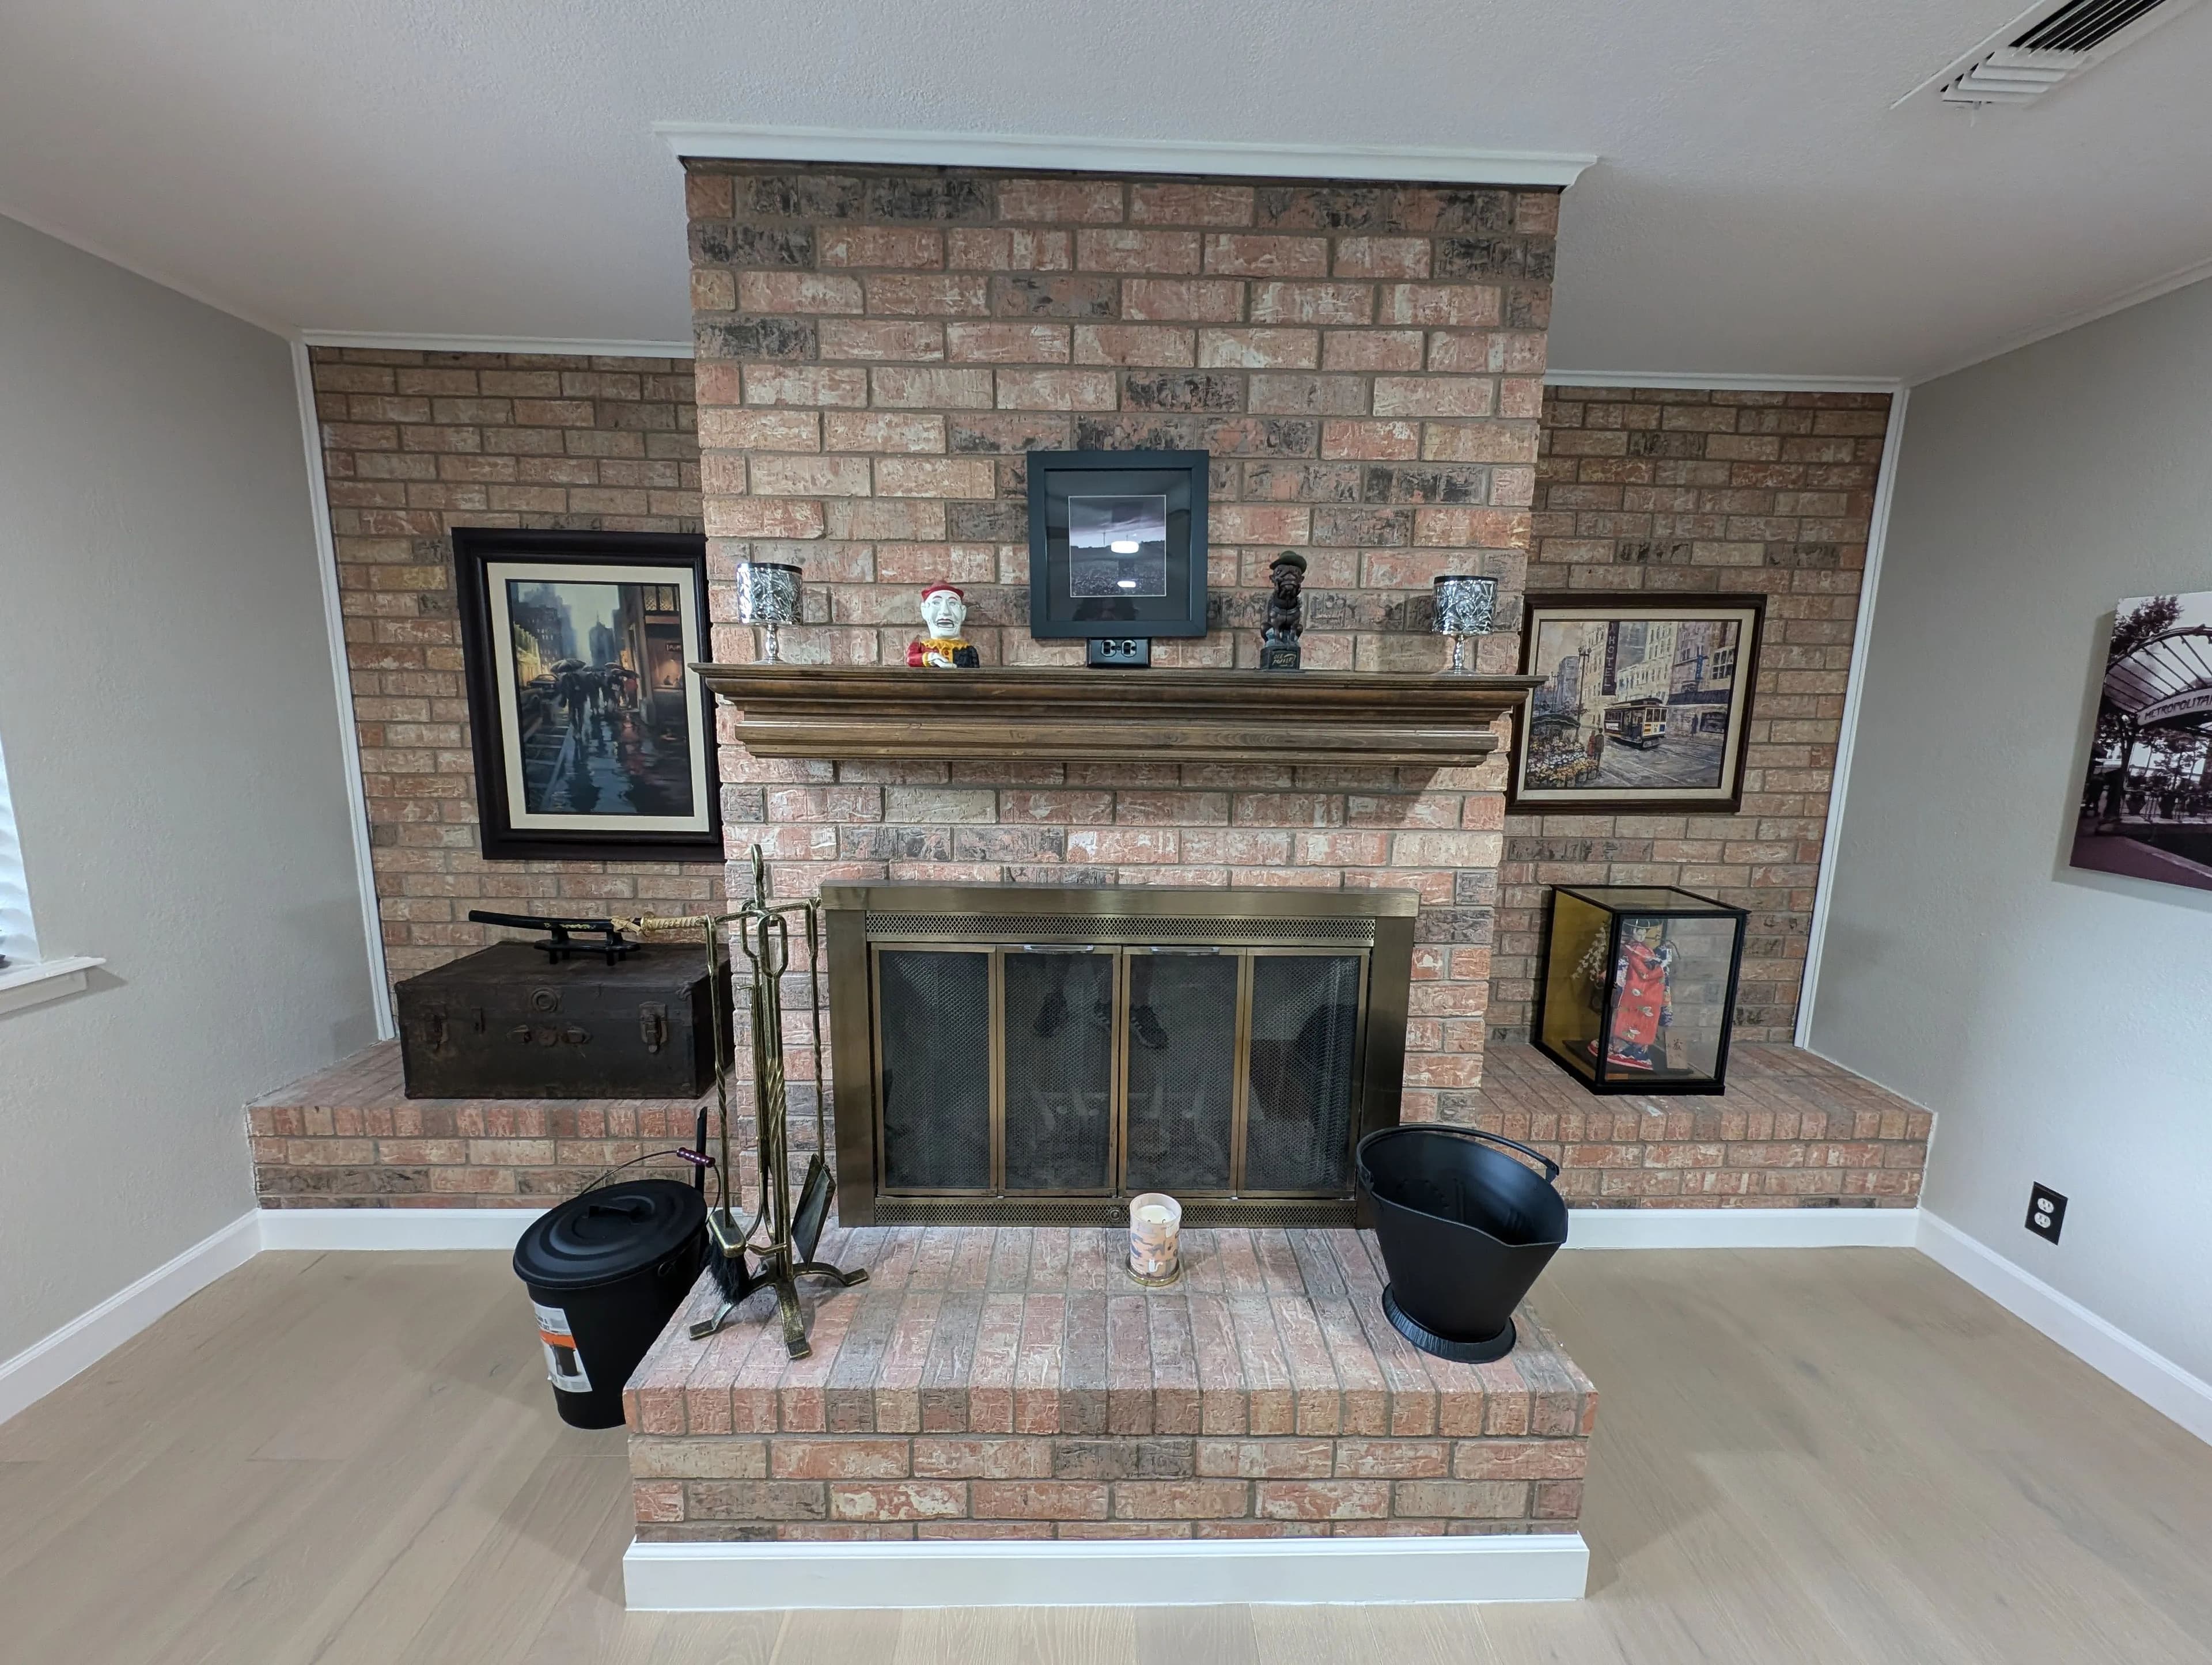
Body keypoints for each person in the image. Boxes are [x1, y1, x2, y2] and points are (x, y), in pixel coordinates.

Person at [907, 583, 980, 667]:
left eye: (953, 603)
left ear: (963, 612)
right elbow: (911, 659)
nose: (945, 611)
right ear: (924, 611)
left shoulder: (969, 651)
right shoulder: (920, 647)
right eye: (936, 603)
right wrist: (931, 658)